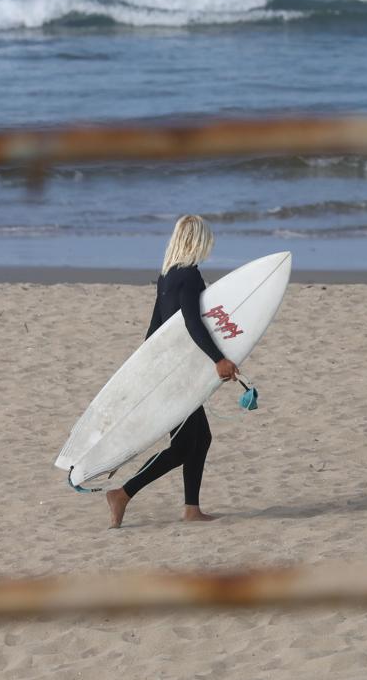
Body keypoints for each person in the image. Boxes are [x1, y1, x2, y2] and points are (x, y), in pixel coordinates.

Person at [105, 215, 238, 529]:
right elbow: (193, 323)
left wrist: (145, 368)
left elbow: (154, 328)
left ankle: (192, 508)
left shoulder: (167, 275)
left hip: (168, 370)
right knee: (182, 446)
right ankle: (122, 493)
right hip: (175, 375)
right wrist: (219, 359)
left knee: (200, 438)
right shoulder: (190, 277)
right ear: (199, 241)